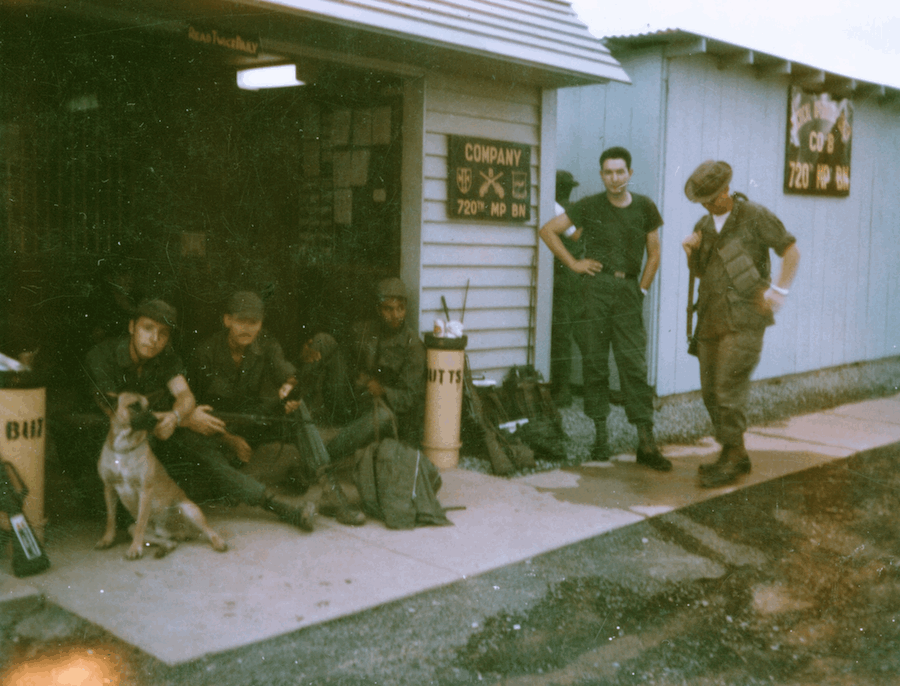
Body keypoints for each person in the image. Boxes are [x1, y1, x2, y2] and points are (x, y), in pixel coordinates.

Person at [84, 298, 316, 531]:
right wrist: (184, 420)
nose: (154, 339)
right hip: (102, 440)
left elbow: (185, 396)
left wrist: (177, 417)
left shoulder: (166, 357)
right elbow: (119, 414)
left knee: (203, 452)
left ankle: (280, 507)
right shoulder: (101, 356)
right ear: (132, 326)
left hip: (150, 434)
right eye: (147, 328)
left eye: (163, 333)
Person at [540, 146, 670, 471]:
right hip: (594, 290)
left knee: (633, 364)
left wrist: (641, 289)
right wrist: (574, 263)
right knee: (595, 362)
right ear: (601, 175)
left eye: (620, 171)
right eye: (608, 172)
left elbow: (654, 253)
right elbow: (548, 230)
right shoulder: (590, 205)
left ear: (629, 173)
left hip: (628, 291)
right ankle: (601, 437)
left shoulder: (644, 207)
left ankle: (646, 442)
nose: (614, 178)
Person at [188, 291, 364, 525]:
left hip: (252, 421)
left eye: (254, 322)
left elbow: (285, 373)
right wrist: (229, 439)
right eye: (241, 321)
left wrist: (289, 389)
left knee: (298, 410)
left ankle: (334, 494)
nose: (247, 329)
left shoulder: (266, 345)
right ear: (227, 320)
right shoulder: (205, 353)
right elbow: (193, 414)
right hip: (217, 430)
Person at [683, 160, 800, 487]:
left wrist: (779, 291)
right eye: (702, 201)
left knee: (728, 388)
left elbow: (791, 251)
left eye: (712, 198)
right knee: (710, 392)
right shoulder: (703, 224)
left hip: (745, 318)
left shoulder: (753, 215)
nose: (707, 206)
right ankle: (734, 452)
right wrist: (690, 252)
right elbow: (702, 272)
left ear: (726, 189)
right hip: (711, 318)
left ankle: (733, 458)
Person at [324, 277, 427, 461]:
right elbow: (343, 357)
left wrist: (383, 390)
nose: (395, 315)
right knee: (323, 342)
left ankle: (324, 455)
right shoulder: (364, 330)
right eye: (388, 309)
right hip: (358, 401)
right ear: (378, 309)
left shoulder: (413, 345)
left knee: (381, 416)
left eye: (400, 308)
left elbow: (411, 396)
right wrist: (358, 377)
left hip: (389, 412)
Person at [549, 170, 582, 408]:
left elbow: (575, 236)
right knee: (565, 332)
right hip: (571, 278)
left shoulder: (556, 209)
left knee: (560, 333)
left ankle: (561, 389)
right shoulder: (573, 209)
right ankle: (561, 387)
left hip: (563, 278)